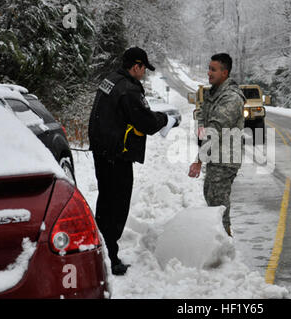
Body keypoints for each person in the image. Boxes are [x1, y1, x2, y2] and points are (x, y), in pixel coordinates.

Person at [89, 47, 176, 275]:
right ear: (136, 66)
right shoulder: (128, 89)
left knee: (106, 202)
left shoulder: (111, 80)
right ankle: (110, 257)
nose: (144, 73)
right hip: (117, 157)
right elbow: (146, 122)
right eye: (144, 68)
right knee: (117, 207)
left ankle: (101, 251)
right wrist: (166, 118)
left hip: (102, 153)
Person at [188, 53, 246, 237]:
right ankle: (220, 241)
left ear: (225, 72)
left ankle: (224, 244)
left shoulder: (231, 98)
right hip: (216, 156)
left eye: (214, 69)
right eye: (209, 68)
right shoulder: (213, 94)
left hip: (226, 159)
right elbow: (203, 123)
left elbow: (215, 129)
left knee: (218, 205)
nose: (209, 73)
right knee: (211, 198)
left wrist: (198, 160)